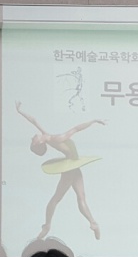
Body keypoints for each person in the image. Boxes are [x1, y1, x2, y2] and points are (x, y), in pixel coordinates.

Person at [15, 101, 105, 241]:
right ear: (39, 143)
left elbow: (33, 120)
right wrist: (93, 121)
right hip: (70, 167)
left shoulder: (47, 136)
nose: (32, 137)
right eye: (33, 140)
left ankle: (93, 223)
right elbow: (76, 129)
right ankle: (47, 226)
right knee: (57, 198)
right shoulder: (55, 139)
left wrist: (20, 111)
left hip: (73, 165)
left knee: (80, 196)